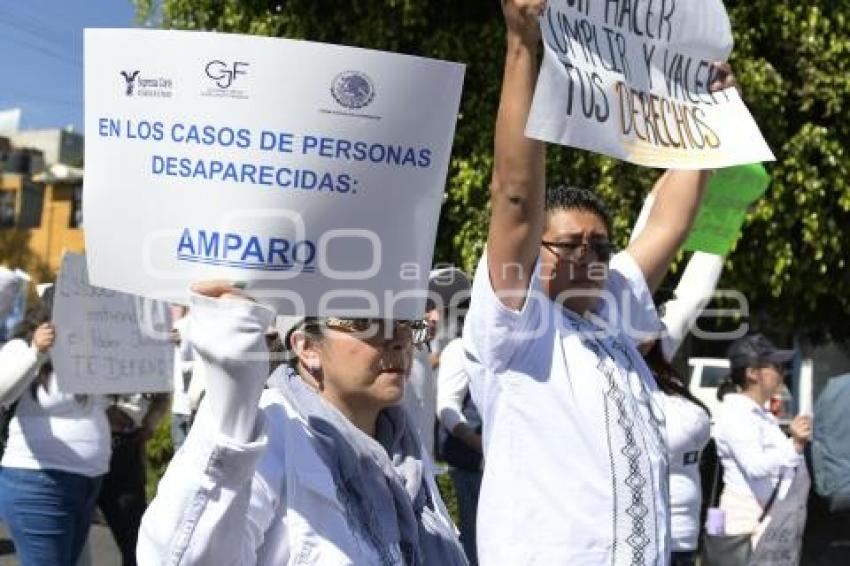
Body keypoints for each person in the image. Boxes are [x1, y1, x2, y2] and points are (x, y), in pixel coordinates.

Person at [462, 1, 734, 563]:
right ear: (532, 252)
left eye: (600, 246)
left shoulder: (611, 311)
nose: (587, 255)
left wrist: (703, 111)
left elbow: (669, 221)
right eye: (566, 244)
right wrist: (522, 47)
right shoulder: (518, 324)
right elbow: (513, 195)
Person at [138, 281, 468, 564]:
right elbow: (179, 558)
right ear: (307, 348)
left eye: (406, 322)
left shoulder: (402, 448)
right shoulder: (271, 435)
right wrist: (230, 412)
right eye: (368, 321)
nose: (399, 339)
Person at [0, 289, 111, 566]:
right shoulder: (21, 347)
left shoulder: (88, 354)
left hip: (87, 483)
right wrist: (36, 353)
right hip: (39, 484)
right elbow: (3, 392)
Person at [712, 333, 812, 564]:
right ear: (752, 373)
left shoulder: (761, 415)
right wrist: (794, 444)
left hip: (768, 529)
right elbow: (755, 466)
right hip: (748, 530)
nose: (782, 372)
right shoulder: (737, 414)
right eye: (775, 366)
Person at [98, 392, 170, 566]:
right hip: (83, 450)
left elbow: (163, 396)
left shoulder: (148, 366)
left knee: (135, 543)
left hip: (127, 448)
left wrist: (150, 423)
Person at [436, 333, 483, 566]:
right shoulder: (460, 348)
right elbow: (447, 407)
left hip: (508, 467)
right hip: (473, 466)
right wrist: (478, 443)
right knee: (476, 543)